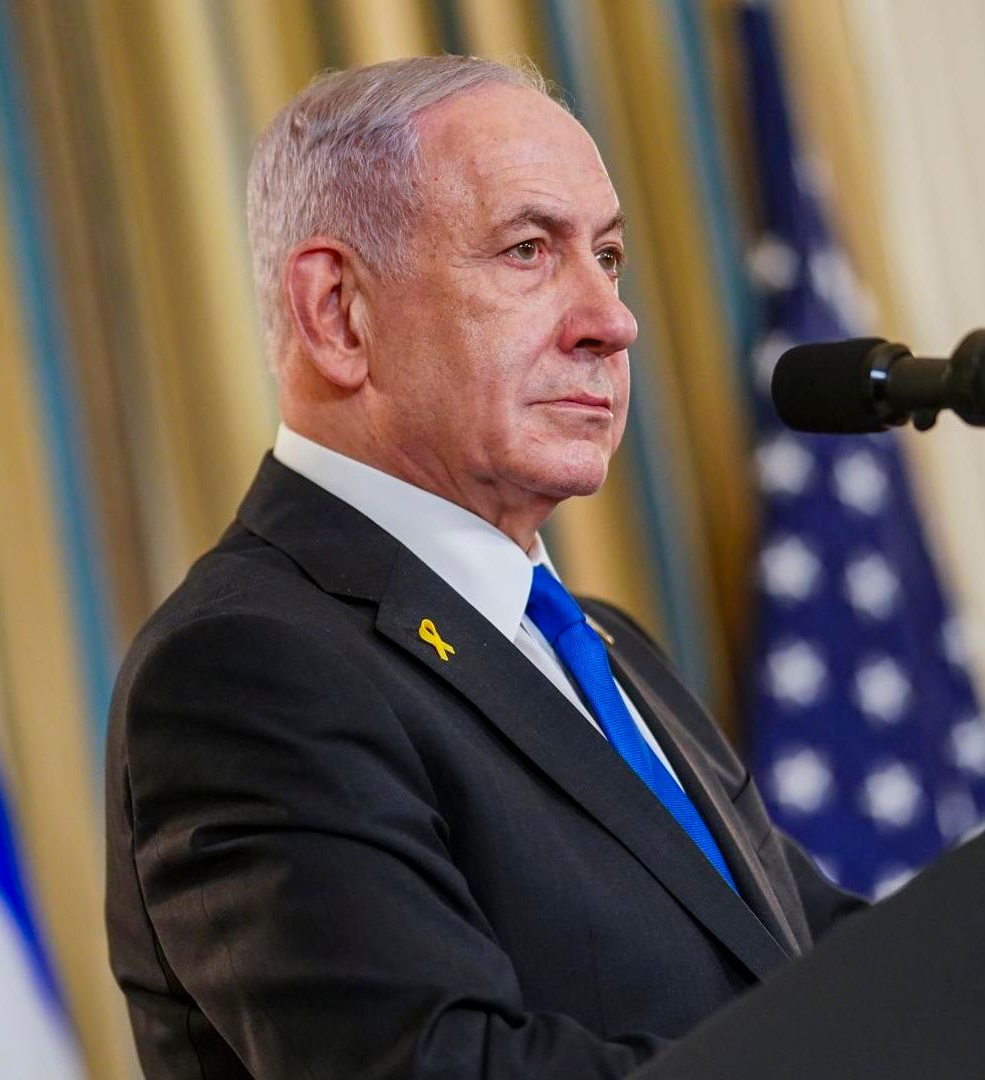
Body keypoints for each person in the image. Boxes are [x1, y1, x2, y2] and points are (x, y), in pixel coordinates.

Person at [105, 55, 865, 1080]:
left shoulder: (602, 644)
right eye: (527, 250)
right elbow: (436, 1067)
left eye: (609, 254)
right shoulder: (245, 670)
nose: (613, 319)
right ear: (338, 313)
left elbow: (816, 959)